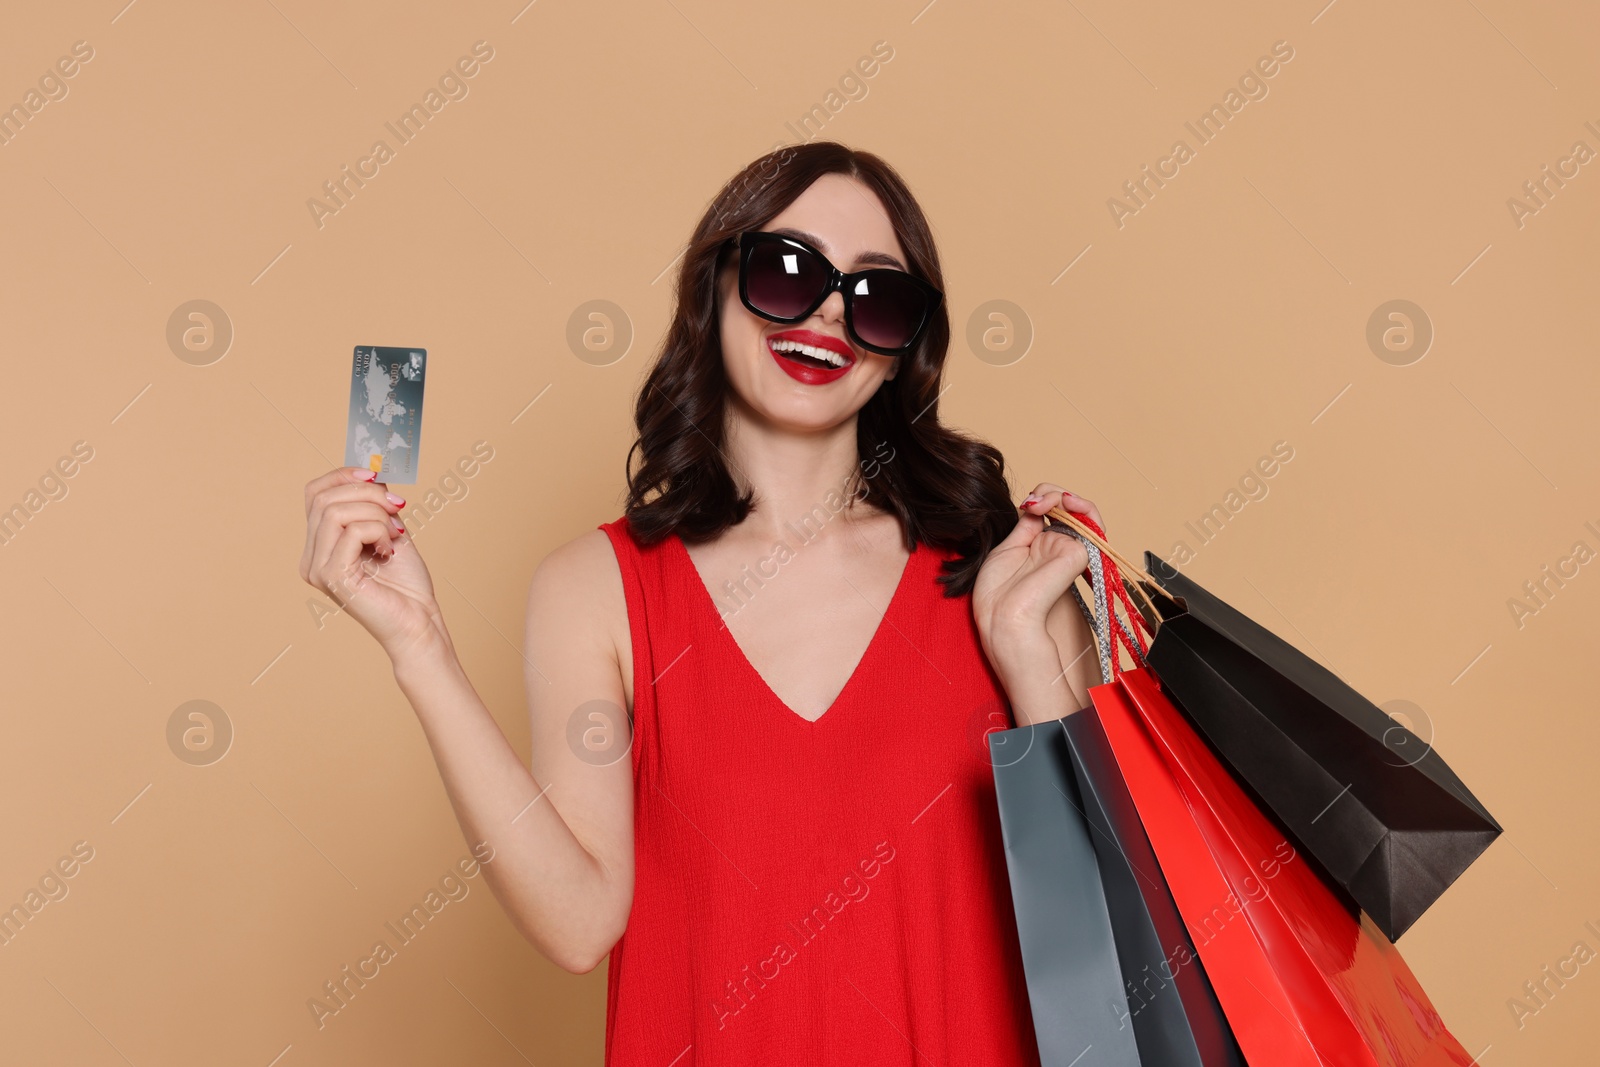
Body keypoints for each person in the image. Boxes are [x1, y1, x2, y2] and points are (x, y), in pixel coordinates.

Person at [299, 141, 1108, 1065]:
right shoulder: (594, 589)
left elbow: (1105, 932)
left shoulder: (1002, 581)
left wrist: (1028, 654)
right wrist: (420, 645)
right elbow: (578, 922)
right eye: (787, 269)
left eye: (876, 295)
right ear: (713, 285)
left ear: (905, 348)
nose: (829, 312)